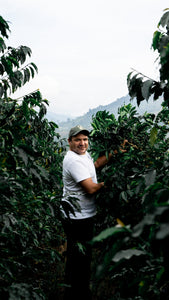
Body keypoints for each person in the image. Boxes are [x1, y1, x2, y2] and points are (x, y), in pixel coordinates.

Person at [61, 125, 111, 300]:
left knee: (80, 258)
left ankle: (74, 290)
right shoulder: (73, 160)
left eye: (85, 140)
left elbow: (95, 165)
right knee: (79, 262)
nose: (82, 143)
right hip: (77, 218)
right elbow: (90, 188)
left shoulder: (83, 155)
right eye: (77, 140)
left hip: (83, 215)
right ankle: (77, 294)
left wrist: (114, 152)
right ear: (69, 142)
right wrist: (109, 183)